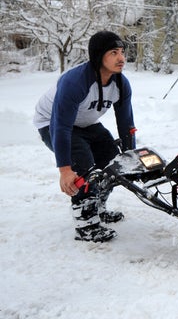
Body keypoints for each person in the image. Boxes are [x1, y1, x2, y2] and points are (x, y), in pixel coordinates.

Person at [33, 31, 136, 243]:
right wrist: (65, 169)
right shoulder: (75, 82)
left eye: (122, 52)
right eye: (114, 53)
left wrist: (130, 155)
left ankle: (96, 207)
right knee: (84, 165)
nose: (121, 58)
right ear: (99, 56)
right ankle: (86, 224)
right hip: (51, 123)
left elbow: (126, 124)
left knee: (111, 160)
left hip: (85, 123)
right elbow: (60, 127)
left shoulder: (121, 84)